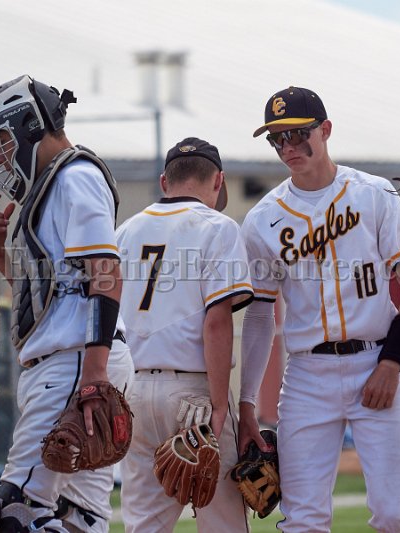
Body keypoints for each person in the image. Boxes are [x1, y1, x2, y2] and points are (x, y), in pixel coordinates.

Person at [239, 86, 400, 532]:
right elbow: (259, 314)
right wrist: (247, 401)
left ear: (325, 130)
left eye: (297, 134)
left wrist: (392, 362)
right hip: (307, 375)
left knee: (395, 515)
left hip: (377, 359)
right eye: (277, 138)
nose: (287, 146)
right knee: (303, 520)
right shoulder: (263, 219)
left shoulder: (374, 194)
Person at [0, 75, 134, 533]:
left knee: (15, 513)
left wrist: (94, 375)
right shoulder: (55, 183)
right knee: (78, 519)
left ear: (28, 124)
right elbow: (52, 296)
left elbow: (106, 273)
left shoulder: (74, 177)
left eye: (1, 139)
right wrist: (0, 255)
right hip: (74, 358)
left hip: (76, 362)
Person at [116, 137, 254, 532]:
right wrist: (219, 406)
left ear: (164, 181)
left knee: (143, 525)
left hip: (134, 390)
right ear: (218, 181)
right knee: (224, 524)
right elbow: (216, 322)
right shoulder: (218, 227)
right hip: (193, 396)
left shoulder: (124, 232)